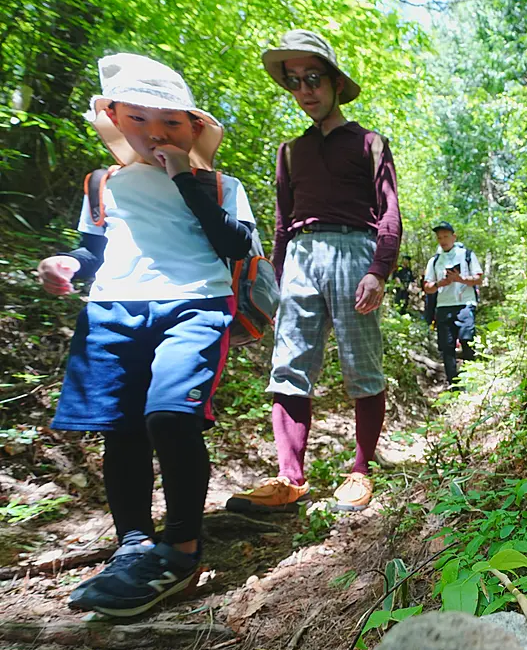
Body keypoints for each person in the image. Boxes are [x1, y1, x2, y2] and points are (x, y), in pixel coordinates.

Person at [38, 54, 255, 616]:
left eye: (171, 123)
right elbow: (94, 249)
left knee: (171, 414)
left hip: (196, 302)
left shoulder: (220, 185)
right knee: (121, 427)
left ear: (194, 128)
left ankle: (180, 551)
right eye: (139, 119)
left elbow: (235, 245)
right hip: (112, 307)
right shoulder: (102, 184)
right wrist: (69, 263)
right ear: (115, 118)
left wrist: (183, 176)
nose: (155, 133)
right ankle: (133, 544)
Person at [226, 30, 402, 514]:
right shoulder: (289, 151)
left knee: (362, 365)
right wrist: (276, 278)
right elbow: (283, 222)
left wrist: (379, 269)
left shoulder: (369, 143)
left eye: (313, 78)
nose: (304, 90)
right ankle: (289, 478)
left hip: (354, 252)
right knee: (288, 366)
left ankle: (360, 471)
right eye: (294, 81)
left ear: (335, 82)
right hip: (300, 257)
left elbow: (389, 212)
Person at [423, 222, 483, 384]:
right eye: (439, 238)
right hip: (443, 307)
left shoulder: (467, 255)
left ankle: (470, 381)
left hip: (465, 304)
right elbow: (427, 287)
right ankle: (453, 385)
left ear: (454, 237)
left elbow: (479, 278)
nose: (442, 240)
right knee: (447, 347)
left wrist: (459, 279)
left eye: (446, 236)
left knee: (467, 340)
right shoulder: (434, 261)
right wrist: (440, 284)